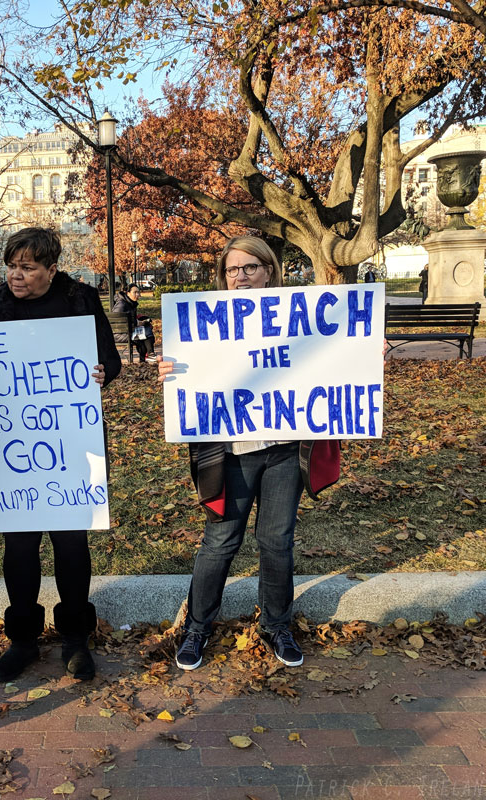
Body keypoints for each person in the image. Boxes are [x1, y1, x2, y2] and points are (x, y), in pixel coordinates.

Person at [157, 235, 339, 672]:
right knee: (220, 541)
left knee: (276, 542)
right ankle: (198, 627)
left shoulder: (302, 319)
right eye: (232, 270)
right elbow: (190, 379)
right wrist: (171, 369)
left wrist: (367, 353)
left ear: (270, 271)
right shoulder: (202, 325)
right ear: (222, 277)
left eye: (250, 268)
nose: (240, 277)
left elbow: (336, 356)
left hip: (285, 449)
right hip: (232, 453)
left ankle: (276, 625)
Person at [0, 227, 121, 683]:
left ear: (51, 269)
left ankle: (75, 636)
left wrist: (99, 373)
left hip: (70, 439)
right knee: (20, 544)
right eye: (12, 265)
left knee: (71, 542)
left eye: (27, 267)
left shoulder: (80, 299)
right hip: (12, 448)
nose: (16, 275)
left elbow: (109, 360)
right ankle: (23, 639)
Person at [112, 283, 157, 363]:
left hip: (128, 331)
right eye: (135, 292)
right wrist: (136, 323)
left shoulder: (130, 303)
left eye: (138, 292)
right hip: (120, 334)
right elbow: (115, 319)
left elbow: (130, 319)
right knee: (146, 331)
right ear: (128, 293)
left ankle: (145, 359)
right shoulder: (121, 304)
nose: (138, 294)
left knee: (144, 333)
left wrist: (140, 321)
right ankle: (150, 354)